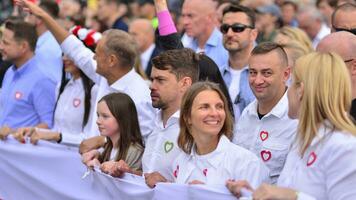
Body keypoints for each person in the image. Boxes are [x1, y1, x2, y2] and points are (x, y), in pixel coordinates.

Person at [15, 0, 155, 141]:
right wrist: (42, 15)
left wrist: (102, 142)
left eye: (98, 53)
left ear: (112, 60)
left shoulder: (139, 96)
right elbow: (73, 47)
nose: (93, 56)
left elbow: (141, 142)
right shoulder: (106, 76)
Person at [227, 52, 356, 200]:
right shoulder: (304, 139)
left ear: (301, 90)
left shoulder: (345, 146)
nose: (288, 92)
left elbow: (291, 194)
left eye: (292, 84)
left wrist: (293, 196)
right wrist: (254, 193)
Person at [93, 48, 199, 184]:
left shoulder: (196, 128)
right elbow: (148, 178)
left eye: (160, 80)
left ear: (185, 83)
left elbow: (201, 188)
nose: (152, 86)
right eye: (152, 79)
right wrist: (128, 172)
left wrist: (166, 184)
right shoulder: (156, 121)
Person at [146, 82, 269, 188]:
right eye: (204, 107)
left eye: (219, 107)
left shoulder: (246, 163)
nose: (214, 113)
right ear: (187, 117)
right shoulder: (180, 161)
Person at [11, 26, 101, 146]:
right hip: (57, 155)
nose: (64, 58)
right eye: (63, 53)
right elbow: (56, 129)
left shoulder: (95, 90)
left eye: (69, 54)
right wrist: (34, 131)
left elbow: (92, 138)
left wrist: (57, 136)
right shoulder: (62, 86)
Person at [233, 42, 298, 184]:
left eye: (266, 73)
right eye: (252, 72)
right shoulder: (246, 114)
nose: (257, 80)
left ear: (286, 74)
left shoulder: (297, 120)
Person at [0, 19, 56, 129]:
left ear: (24, 47)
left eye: (6, 43)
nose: (0, 47)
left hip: (21, 146)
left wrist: (15, 134)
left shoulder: (42, 79)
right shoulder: (10, 72)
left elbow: (48, 125)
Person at [82, 93, 144, 173]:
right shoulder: (108, 147)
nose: (98, 121)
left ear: (123, 119)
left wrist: (99, 168)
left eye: (105, 116)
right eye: (98, 115)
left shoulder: (134, 151)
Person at [220, 4, 257, 122]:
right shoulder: (216, 74)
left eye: (238, 28)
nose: (229, 33)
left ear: (253, 34)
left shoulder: (266, 76)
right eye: (225, 28)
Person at [316, 31, 356, 120]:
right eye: (315, 62)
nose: (317, 70)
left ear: (354, 67)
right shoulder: (317, 104)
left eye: (327, 63)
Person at [181, 0, 228, 69]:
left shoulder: (225, 47)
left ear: (209, 17)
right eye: (183, 16)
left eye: (190, 16)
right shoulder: (185, 44)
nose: (185, 22)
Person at [25, 0, 63, 83]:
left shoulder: (48, 48)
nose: (26, 19)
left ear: (39, 19)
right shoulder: (45, 44)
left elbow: (52, 84)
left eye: (30, 13)